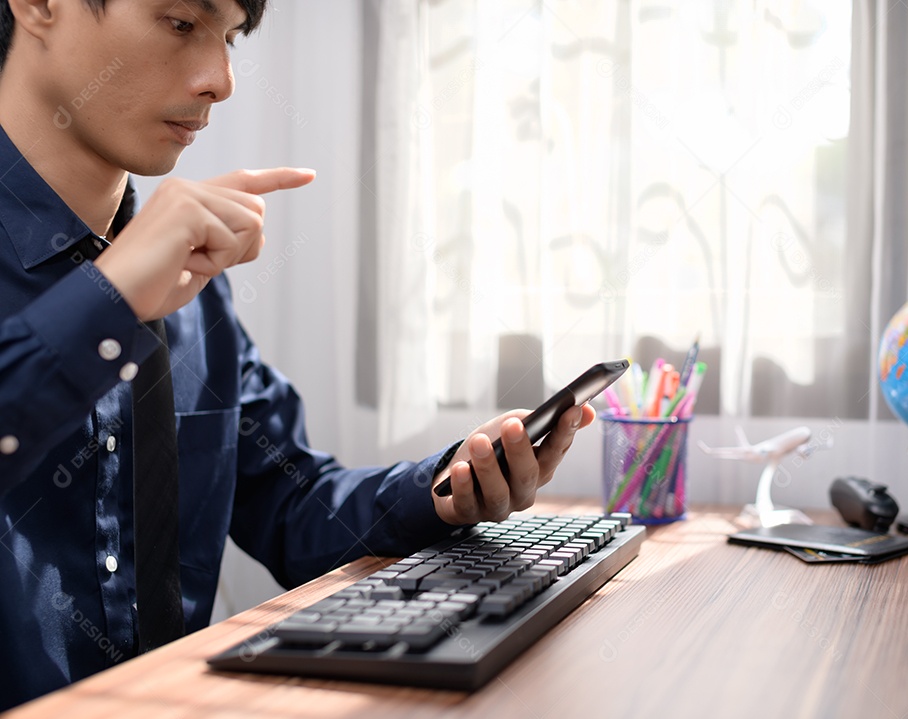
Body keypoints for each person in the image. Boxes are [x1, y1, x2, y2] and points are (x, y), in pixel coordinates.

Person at [0, 0, 594, 709]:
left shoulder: (188, 287)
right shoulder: (146, 280)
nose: (221, 80)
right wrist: (113, 296)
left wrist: (448, 485)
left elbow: (292, 503)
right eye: (182, 23)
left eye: (232, 38)